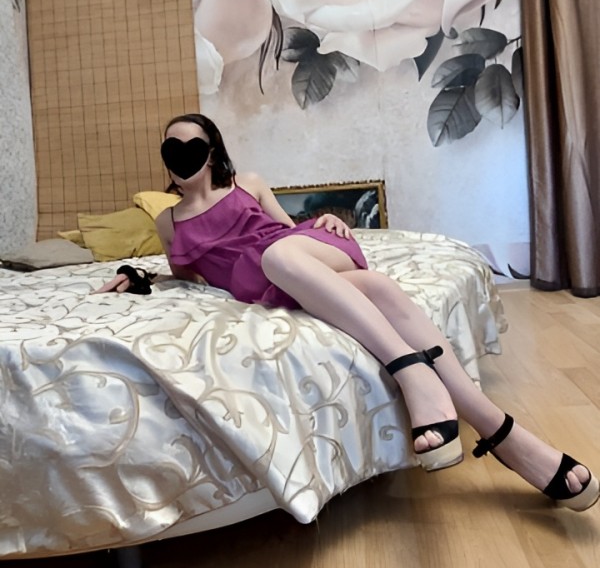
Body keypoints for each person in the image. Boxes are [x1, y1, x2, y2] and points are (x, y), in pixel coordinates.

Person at [110, 113, 599, 511]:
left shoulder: (247, 183)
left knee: (278, 254)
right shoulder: (168, 220)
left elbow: (287, 232)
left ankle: (412, 372)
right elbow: (189, 277)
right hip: (271, 283)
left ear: (213, 151)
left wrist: (321, 222)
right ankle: (505, 434)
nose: (182, 156)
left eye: (192, 146)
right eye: (171, 148)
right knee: (378, 289)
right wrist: (143, 277)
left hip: (297, 256)